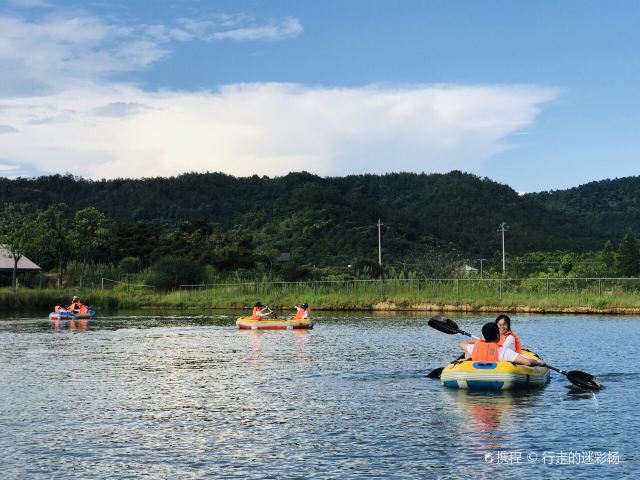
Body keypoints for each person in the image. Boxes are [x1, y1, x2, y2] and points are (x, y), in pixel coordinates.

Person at [459, 322, 544, 367]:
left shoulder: (474, 348)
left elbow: (462, 344)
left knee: (467, 352)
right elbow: (528, 362)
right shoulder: (504, 352)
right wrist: (539, 362)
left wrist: (477, 341)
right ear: (497, 336)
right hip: (498, 377)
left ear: (484, 337)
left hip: (475, 375)